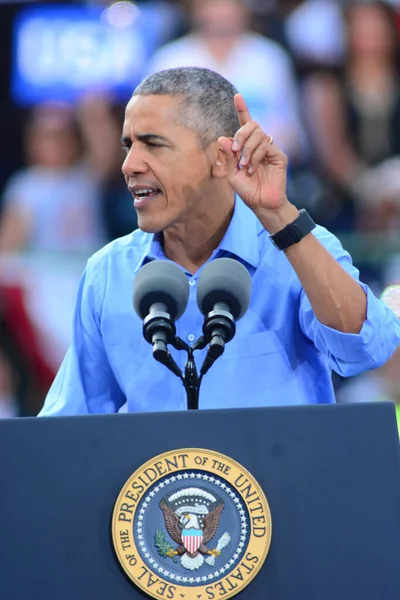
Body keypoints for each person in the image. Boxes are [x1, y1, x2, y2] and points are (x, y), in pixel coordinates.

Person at [39, 67, 400, 416]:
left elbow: (364, 350)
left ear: (220, 157)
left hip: (282, 478)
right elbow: (70, 423)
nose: (129, 164)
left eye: (153, 144)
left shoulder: (298, 248)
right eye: (128, 145)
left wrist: (278, 215)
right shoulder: (108, 272)